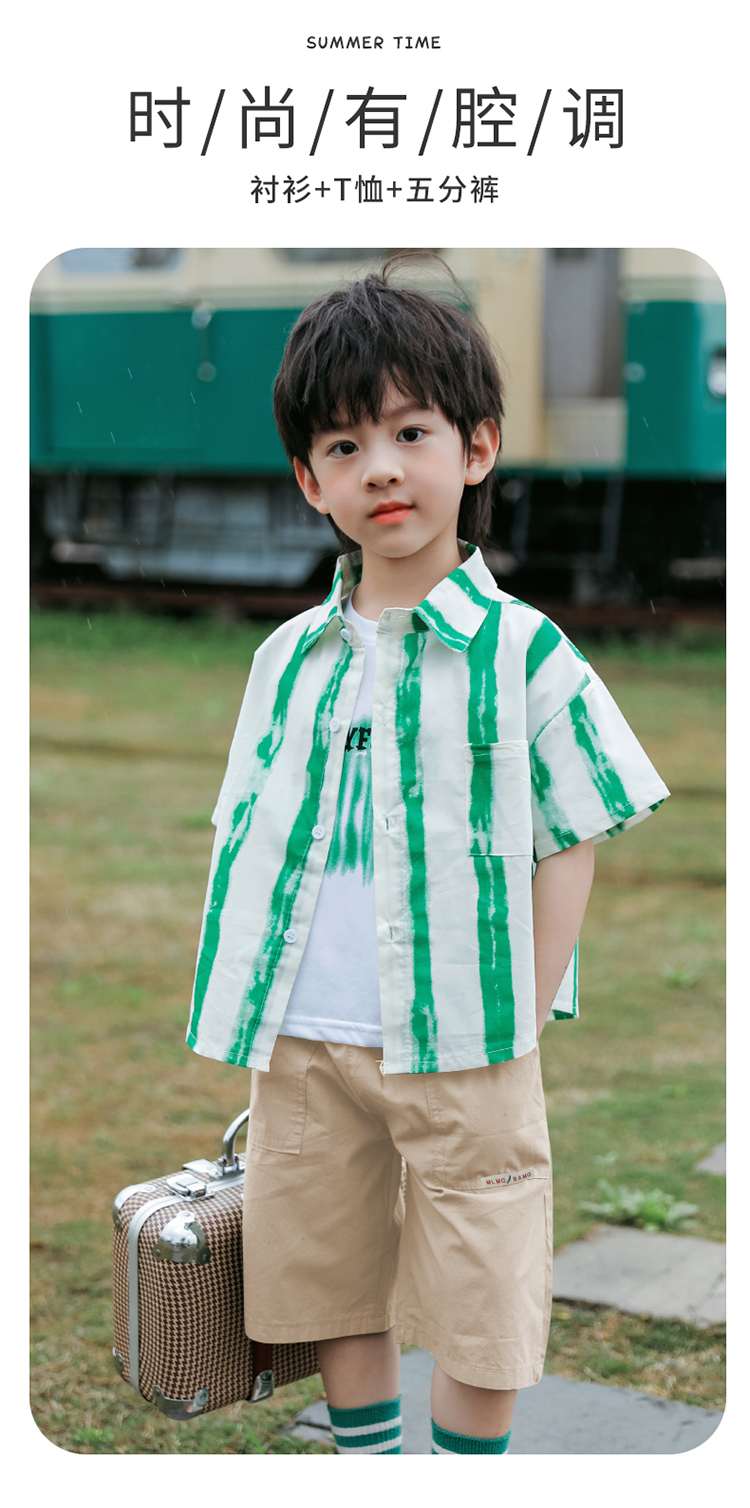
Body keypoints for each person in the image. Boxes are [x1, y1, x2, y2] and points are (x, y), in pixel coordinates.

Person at [186, 257, 670, 1456]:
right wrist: (249, 995)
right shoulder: (286, 658)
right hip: (307, 1036)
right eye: (344, 446)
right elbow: (243, 826)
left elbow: (574, 833)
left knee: (481, 1275)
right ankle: (369, 1462)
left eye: (411, 432)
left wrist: (524, 1006)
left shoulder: (525, 651)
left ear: (478, 447)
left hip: (468, 1033)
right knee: (330, 1269)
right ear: (310, 481)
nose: (383, 468)